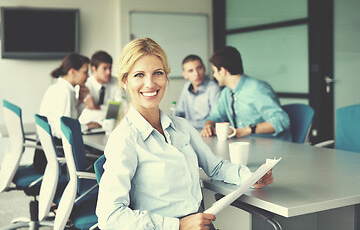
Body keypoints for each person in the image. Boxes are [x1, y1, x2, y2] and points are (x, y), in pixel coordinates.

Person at [96, 38, 274, 230]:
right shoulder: (124, 138)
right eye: (139, 75)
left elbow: (216, 168)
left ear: (166, 77)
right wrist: (178, 225)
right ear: (124, 81)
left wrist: (251, 177)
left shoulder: (181, 126)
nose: (150, 83)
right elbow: (110, 216)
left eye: (158, 73)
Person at [201, 47, 292, 142]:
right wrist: (209, 125)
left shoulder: (257, 89)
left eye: (214, 71)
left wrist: (246, 130)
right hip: (243, 145)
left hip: (271, 146)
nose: (214, 75)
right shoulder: (226, 92)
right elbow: (215, 116)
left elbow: (282, 120)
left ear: (223, 71)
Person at [39, 53, 101, 141]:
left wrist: (80, 101)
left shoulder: (61, 88)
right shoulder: (64, 92)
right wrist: (87, 126)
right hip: (58, 145)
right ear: (72, 72)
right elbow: (63, 131)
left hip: (53, 145)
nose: (88, 76)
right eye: (85, 72)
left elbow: (71, 120)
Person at [176, 55, 221, 129]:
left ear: (204, 68)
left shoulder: (213, 88)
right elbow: (179, 112)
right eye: (191, 71)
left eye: (199, 68)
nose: (196, 74)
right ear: (185, 75)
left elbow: (216, 117)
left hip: (207, 131)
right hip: (189, 131)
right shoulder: (186, 87)